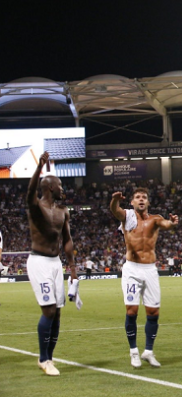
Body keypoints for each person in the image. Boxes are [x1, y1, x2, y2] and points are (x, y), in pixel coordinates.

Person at [110, 187, 179, 368]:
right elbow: (114, 210)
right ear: (132, 202)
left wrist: (172, 223)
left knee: (153, 312)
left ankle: (148, 351)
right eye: (137, 197)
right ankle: (133, 352)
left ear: (148, 202)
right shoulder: (127, 216)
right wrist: (115, 199)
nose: (141, 199)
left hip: (150, 269)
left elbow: (166, 224)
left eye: (144, 197)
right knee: (132, 311)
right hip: (132, 269)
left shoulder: (155, 219)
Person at [26, 152, 78, 376]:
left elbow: (67, 241)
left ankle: (50, 356)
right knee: (48, 310)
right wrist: (39, 167)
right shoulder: (37, 207)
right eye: (60, 185)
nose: (63, 189)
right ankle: (43, 359)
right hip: (39, 262)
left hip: (56, 263)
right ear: (49, 188)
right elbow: (29, 193)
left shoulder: (62, 211)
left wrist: (73, 270)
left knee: (57, 312)